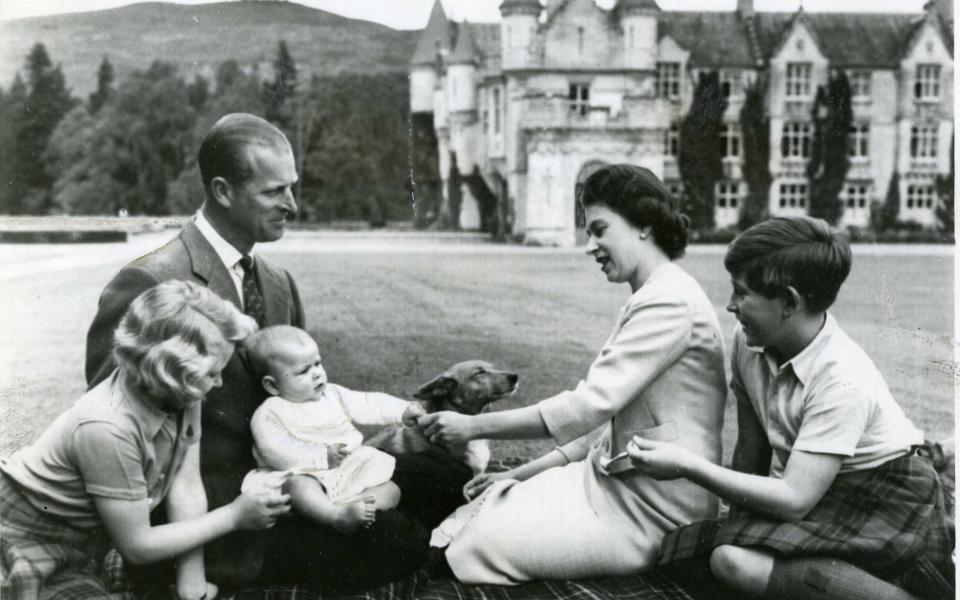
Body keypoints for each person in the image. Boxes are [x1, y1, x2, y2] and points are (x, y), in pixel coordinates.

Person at [84, 113, 444, 592]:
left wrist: (361, 450)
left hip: (301, 482)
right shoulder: (151, 283)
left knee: (443, 475)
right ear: (223, 190)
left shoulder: (277, 283)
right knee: (400, 539)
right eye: (275, 192)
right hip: (218, 516)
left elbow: (303, 402)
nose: (292, 205)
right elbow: (115, 435)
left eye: (292, 188)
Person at [418, 164, 728, 585]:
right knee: (487, 504)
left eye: (600, 229)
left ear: (643, 224)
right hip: (613, 486)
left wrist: (472, 426)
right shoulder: (652, 295)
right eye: (588, 232)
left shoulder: (669, 303)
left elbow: (586, 407)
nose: (590, 246)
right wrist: (517, 473)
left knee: (474, 546)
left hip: (656, 512)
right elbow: (598, 429)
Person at [630, 216, 954, 600]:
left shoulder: (843, 376)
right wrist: (736, 528)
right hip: (817, 488)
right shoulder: (746, 342)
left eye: (741, 293)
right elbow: (751, 449)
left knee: (730, 562)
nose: (730, 305)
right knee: (693, 551)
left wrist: (689, 466)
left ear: (789, 301)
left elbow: (795, 500)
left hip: (887, 493)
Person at [1, 281, 289, 600]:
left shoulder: (182, 391)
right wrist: (235, 516)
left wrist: (191, 585)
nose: (219, 382)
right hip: (26, 532)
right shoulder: (107, 425)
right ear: (169, 370)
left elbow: (186, 485)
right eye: (212, 373)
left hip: (92, 537)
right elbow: (137, 547)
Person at [244, 325, 426, 533]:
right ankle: (335, 516)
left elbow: (367, 403)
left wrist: (401, 410)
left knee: (391, 489)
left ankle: (358, 509)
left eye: (317, 363)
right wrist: (321, 457)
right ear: (272, 386)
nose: (317, 374)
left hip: (345, 469)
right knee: (299, 486)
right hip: (304, 470)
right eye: (304, 371)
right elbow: (275, 450)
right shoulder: (271, 411)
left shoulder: (332, 394)